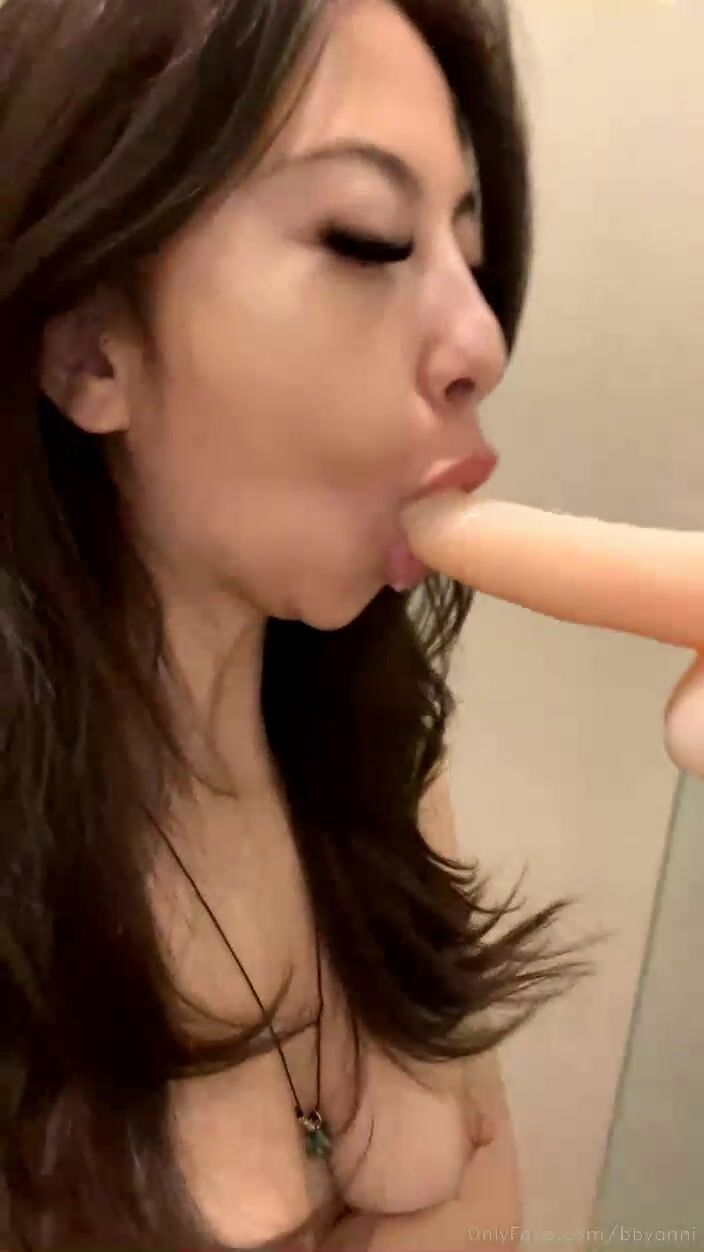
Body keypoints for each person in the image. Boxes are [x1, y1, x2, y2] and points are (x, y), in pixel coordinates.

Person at [0, 0, 599, 1247]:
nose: (480, 344)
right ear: (88, 352)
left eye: (468, 249)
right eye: (366, 238)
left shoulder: (382, 766)